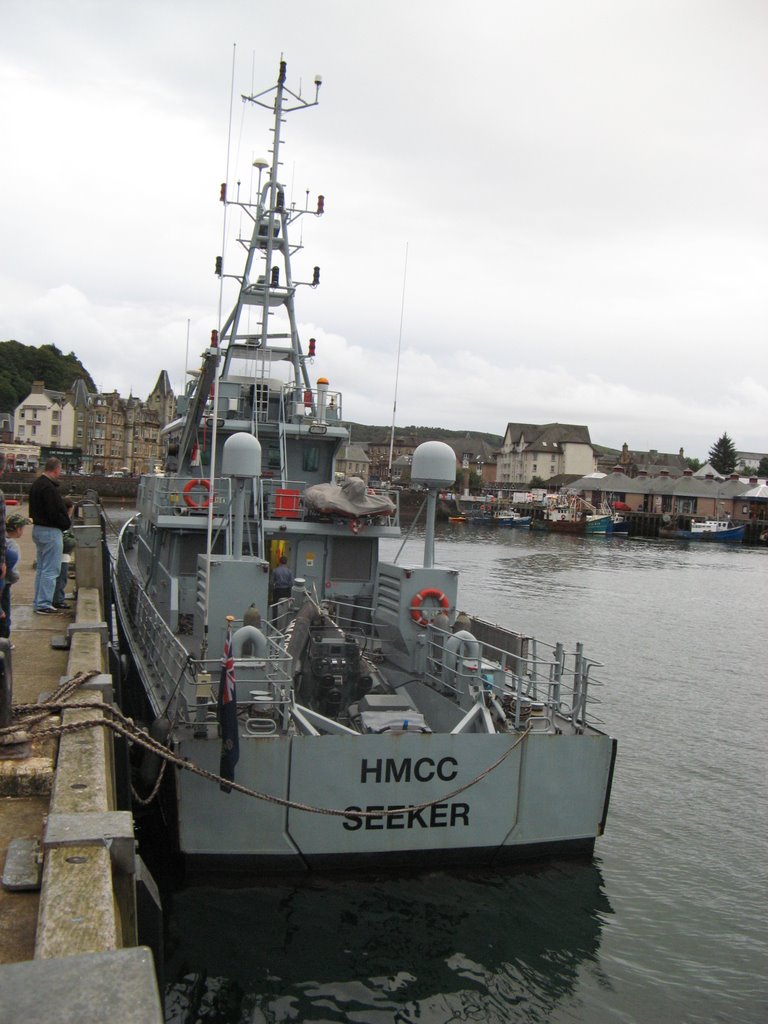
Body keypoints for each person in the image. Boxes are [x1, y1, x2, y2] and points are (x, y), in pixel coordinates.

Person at [29, 457, 71, 614]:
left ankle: (38, 600)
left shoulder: (37, 484)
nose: (60, 473)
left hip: (38, 529)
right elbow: (54, 512)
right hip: (50, 532)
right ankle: (44, 603)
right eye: (60, 470)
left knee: (41, 568)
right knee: (51, 570)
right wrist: (65, 523)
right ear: (56, 469)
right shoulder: (48, 488)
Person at [0, 513, 31, 644]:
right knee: (5, 611)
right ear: (18, 529)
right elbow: (10, 569)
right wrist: (15, 578)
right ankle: (4, 639)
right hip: (5, 583)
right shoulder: (12, 546)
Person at [53, 498, 76, 610]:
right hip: (63, 555)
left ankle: (56, 598)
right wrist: (75, 540)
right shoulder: (64, 522)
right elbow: (68, 541)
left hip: (60, 553)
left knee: (59, 577)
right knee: (61, 578)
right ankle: (58, 600)